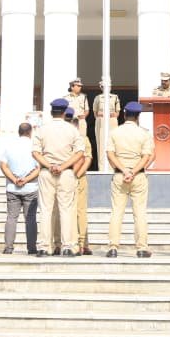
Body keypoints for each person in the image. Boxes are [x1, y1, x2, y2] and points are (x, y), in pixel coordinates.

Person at [32, 98, 82, 257]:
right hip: (65, 172)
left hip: (47, 172)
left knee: (46, 210)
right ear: (65, 112)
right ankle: (67, 246)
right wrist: (62, 166)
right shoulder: (72, 130)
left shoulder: (41, 129)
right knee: (66, 210)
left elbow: (35, 152)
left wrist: (49, 165)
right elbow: (79, 153)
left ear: (51, 111)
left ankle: (44, 246)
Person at [105, 101, 153, 258]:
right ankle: (141, 248)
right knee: (139, 213)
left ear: (124, 114)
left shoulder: (114, 132)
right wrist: (133, 171)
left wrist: (125, 170)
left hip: (119, 174)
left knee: (117, 212)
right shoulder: (144, 134)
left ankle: (113, 247)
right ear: (138, 117)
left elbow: (110, 154)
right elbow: (147, 156)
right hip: (138, 175)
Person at [0, 122, 40, 255]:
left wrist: (14, 179)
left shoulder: (10, 146)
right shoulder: (34, 147)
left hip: (12, 187)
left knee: (11, 217)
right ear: (30, 132)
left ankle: (8, 247)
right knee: (30, 218)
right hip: (30, 187)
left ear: (19, 132)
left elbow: (3, 165)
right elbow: (38, 168)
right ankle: (32, 247)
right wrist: (26, 179)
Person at [68, 107, 93, 255]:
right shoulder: (82, 138)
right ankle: (81, 243)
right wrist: (78, 174)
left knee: (66, 211)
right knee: (80, 211)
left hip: (66, 176)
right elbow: (87, 159)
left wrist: (73, 174)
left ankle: (61, 243)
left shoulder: (79, 138)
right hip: (78, 176)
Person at [92, 87, 120, 172]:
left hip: (112, 121)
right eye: (104, 87)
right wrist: (104, 114)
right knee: (101, 144)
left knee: (113, 143)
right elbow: (95, 113)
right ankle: (102, 168)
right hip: (101, 121)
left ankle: (114, 167)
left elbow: (117, 112)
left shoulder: (115, 97)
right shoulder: (98, 97)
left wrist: (108, 114)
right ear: (101, 88)